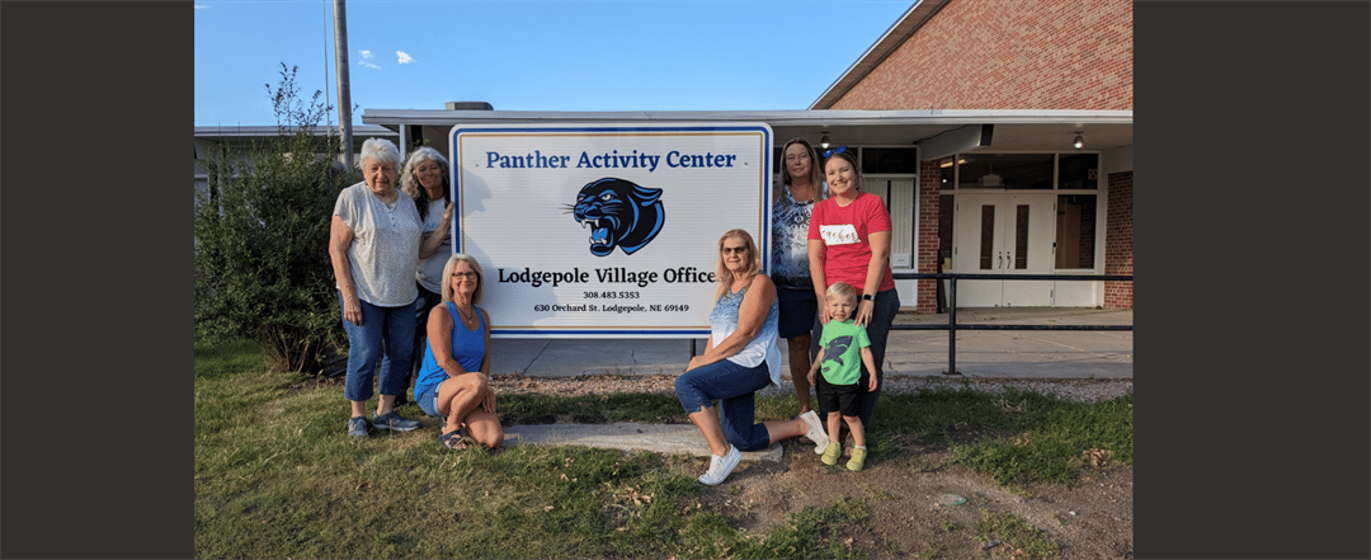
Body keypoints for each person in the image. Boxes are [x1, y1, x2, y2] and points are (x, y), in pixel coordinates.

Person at [675, 229, 829, 486]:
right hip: (730, 363)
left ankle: (722, 453)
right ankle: (804, 425)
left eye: (739, 249)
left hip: (752, 364)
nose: (733, 255)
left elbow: (747, 332)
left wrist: (706, 363)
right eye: (727, 250)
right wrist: (703, 361)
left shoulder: (760, 283)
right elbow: (717, 333)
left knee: (686, 384)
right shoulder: (724, 288)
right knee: (741, 438)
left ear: (750, 252)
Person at [329, 137, 424, 437]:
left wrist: (447, 223)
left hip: (403, 295)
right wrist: (349, 297)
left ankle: (385, 412)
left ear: (397, 171)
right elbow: (336, 250)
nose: (380, 175)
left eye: (387, 168)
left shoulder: (407, 202)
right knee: (365, 353)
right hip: (364, 294)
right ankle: (357, 416)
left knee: (401, 354)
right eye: (374, 168)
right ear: (364, 170)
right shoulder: (352, 197)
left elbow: (420, 248)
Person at [807, 146, 900, 440]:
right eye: (831, 173)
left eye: (844, 170)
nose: (838, 177)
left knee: (865, 361)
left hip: (872, 295)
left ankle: (857, 429)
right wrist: (822, 300)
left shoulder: (872, 204)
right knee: (826, 359)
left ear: (855, 173)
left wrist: (868, 299)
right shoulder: (821, 210)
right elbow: (816, 257)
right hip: (833, 301)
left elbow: (880, 253)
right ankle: (832, 425)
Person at [413, 254, 504, 450]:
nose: (465, 278)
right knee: (478, 380)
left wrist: (480, 390)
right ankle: (451, 427)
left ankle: (459, 414)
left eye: (471, 274)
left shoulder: (482, 316)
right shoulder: (440, 313)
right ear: (449, 280)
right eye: (459, 274)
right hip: (435, 390)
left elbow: (486, 359)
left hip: (470, 389)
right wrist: (480, 387)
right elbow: (444, 361)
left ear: (478, 278)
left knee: (493, 439)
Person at [396, 146, 455, 406]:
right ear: (415, 175)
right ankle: (397, 394)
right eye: (422, 169)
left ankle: (445, 392)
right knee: (407, 338)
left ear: (443, 171)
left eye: (434, 167)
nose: (429, 173)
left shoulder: (458, 198)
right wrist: (445, 224)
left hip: (454, 288)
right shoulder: (413, 207)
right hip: (423, 285)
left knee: (448, 341)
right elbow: (421, 251)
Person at [770, 138, 825, 417]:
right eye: (791, 157)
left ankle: (832, 410)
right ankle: (806, 409)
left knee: (830, 345)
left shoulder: (827, 193)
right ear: (785, 164)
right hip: (789, 286)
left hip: (827, 284)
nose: (797, 162)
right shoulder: (775, 196)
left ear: (812, 160)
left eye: (802, 156)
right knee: (798, 344)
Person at [806, 282, 879, 472]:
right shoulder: (827, 326)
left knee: (850, 416)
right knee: (832, 414)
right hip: (828, 380)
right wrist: (814, 368)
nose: (840, 310)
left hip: (848, 382)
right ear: (827, 306)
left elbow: (865, 351)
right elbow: (824, 350)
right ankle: (834, 443)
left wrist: (872, 373)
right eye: (835, 305)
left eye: (845, 305)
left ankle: (860, 447)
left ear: (855, 306)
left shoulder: (856, 328)